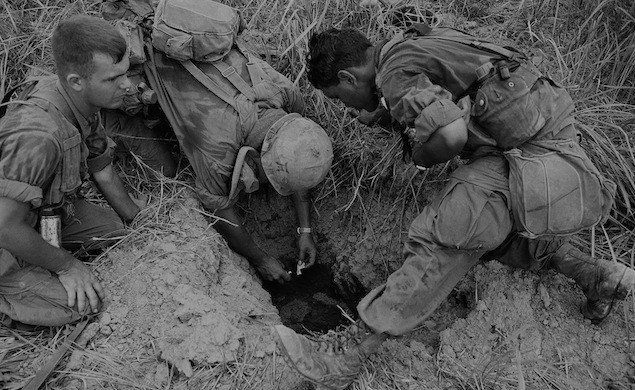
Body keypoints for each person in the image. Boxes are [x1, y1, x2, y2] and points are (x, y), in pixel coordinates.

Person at [273, 25, 635, 389]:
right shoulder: (410, 44)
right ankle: (594, 276)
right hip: (550, 142)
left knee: (443, 235)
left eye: (339, 97)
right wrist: (387, 117)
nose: (344, 105)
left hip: (524, 156)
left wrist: (419, 157)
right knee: (489, 232)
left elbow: (451, 135)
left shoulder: (394, 76)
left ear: (348, 77)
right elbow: (453, 92)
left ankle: (344, 358)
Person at [143, 28, 333, 284]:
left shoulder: (289, 97)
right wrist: (260, 259)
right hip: (162, 56)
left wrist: (305, 230)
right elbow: (219, 207)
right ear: (255, 157)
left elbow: (295, 161)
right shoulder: (218, 147)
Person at [0, 15, 145, 327]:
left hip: (42, 213)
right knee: (81, 307)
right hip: (5, 229)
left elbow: (101, 166)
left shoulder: (81, 102)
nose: (127, 85)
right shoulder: (38, 137)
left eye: (124, 73)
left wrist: (139, 220)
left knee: (113, 230)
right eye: (112, 79)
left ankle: (40, 255)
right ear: (76, 81)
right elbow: (4, 226)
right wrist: (67, 267)